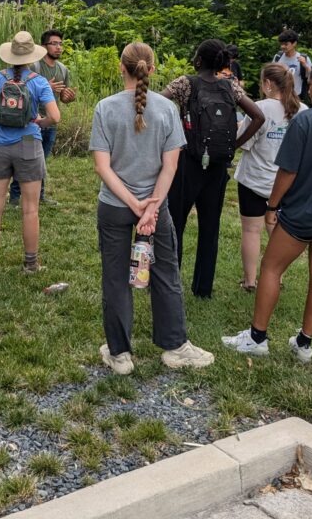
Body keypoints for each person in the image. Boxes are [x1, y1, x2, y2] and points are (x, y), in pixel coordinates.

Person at [222, 60, 312, 363]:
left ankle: (257, 337)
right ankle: (304, 343)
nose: (310, 89)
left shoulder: (307, 121)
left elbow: (287, 171)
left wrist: (272, 206)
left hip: (303, 211)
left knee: (272, 269)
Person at [91, 42, 215, 374]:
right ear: (152, 70)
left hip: (115, 205)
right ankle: (175, 346)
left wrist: (133, 203)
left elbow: (103, 167)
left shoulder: (105, 107)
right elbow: (170, 167)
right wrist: (150, 208)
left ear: (122, 68)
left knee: (115, 278)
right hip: (156, 208)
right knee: (166, 274)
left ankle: (120, 355)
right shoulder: (167, 109)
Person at [161, 39, 264, 297]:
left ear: (198, 60)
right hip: (218, 164)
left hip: (188, 161)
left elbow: (159, 103)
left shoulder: (185, 83)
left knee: (176, 223)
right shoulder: (231, 87)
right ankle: (203, 288)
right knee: (210, 227)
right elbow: (259, 116)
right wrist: (234, 145)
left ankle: (171, 281)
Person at [0, 31, 60, 273]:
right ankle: (31, 263)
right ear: (32, 56)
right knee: (30, 208)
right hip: (28, 144)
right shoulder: (39, 82)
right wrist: (38, 122)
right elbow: (55, 117)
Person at [233, 64, 306, 292]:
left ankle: (250, 280)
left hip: (254, 180)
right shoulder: (303, 110)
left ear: (268, 84)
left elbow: (243, 143)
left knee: (251, 231)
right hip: (285, 184)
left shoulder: (259, 108)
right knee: (277, 230)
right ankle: (277, 276)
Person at [8, 29, 76, 207]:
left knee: (41, 162)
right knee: (26, 159)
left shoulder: (63, 69)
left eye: (61, 44)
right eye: (54, 44)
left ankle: (40, 196)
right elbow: (21, 89)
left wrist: (68, 98)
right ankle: (15, 197)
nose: (58, 47)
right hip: (33, 123)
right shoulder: (34, 67)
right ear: (44, 46)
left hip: (51, 122)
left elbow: (62, 97)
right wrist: (46, 86)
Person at [273, 28, 312, 98]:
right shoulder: (277, 57)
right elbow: (271, 76)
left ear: (294, 43)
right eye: (281, 44)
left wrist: (305, 66)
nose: (282, 46)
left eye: (286, 44)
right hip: (279, 96)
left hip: (296, 96)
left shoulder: (304, 58)